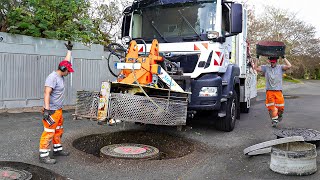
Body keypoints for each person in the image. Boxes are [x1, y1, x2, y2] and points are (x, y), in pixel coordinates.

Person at [39, 41, 74, 164]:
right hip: (52, 110)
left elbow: (66, 62)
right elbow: (46, 93)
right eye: (68, 71)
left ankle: (57, 150)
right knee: (48, 132)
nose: (69, 73)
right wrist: (47, 110)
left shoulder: (61, 74)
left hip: (58, 110)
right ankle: (43, 155)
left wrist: (69, 50)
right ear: (63, 70)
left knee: (58, 130)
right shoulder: (52, 78)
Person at [252, 56, 292, 127]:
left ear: (276, 61)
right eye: (271, 62)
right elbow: (255, 68)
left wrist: (284, 57)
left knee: (281, 107)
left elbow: (289, 66)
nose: (272, 63)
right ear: (269, 61)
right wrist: (257, 58)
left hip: (278, 91)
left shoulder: (280, 67)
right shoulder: (266, 68)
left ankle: (279, 115)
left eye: (274, 62)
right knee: (271, 107)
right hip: (269, 91)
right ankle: (274, 121)